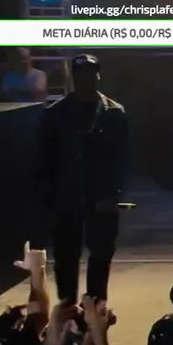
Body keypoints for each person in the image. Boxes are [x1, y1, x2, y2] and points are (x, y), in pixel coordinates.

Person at [36, 54, 128, 304]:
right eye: (81, 74)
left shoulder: (114, 112)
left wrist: (113, 195)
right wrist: (48, 203)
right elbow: (44, 161)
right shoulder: (55, 114)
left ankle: (94, 309)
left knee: (101, 255)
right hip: (66, 196)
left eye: (91, 73)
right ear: (73, 77)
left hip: (101, 197)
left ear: (98, 75)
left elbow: (122, 158)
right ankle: (68, 311)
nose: (86, 79)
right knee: (66, 257)